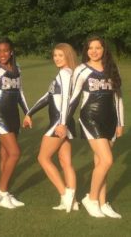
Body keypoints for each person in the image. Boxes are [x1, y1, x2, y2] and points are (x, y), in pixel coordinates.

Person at [68, 36, 124, 219]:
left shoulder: (111, 69)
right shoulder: (81, 70)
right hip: (90, 118)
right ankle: (91, 199)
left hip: (111, 120)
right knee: (107, 160)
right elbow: (74, 97)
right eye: (90, 48)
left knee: (101, 164)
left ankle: (103, 202)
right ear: (86, 50)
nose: (94, 51)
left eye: (98, 48)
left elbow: (118, 98)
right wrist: (63, 121)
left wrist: (120, 123)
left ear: (104, 49)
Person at [23, 43, 78, 212]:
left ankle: (65, 195)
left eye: (61, 55)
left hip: (58, 123)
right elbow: (47, 97)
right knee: (65, 162)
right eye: (55, 55)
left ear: (69, 56)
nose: (57, 58)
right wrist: (29, 113)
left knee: (43, 158)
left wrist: (62, 123)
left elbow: (67, 100)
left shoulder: (65, 74)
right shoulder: (66, 74)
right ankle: (73, 202)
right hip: (64, 122)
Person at [0, 37, 28, 209]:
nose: (2, 54)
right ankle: (1, 191)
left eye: (5, 50)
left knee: (6, 154)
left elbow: (20, 93)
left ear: (11, 52)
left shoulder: (18, 68)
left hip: (13, 114)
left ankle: (5, 191)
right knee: (15, 153)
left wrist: (28, 113)